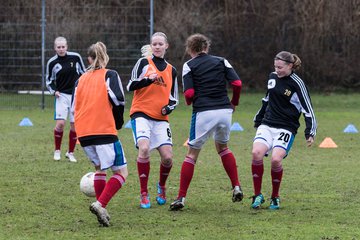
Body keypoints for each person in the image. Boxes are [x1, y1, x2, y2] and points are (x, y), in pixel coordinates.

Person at [170, 33, 244, 211]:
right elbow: (237, 83)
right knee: (223, 148)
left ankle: (180, 198)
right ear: (206, 47)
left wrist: (190, 103)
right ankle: (236, 186)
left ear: (190, 49)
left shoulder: (189, 65)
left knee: (191, 154)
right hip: (225, 111)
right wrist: (234, 102)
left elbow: (188, 94)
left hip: (204, 112)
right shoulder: (222, 61)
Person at [250, 51, 317, 210]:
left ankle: (275, 197)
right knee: (256, 153)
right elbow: (267, 99)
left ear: (290, 66)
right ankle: (257, 194)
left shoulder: (297, 83)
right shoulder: (272, 77)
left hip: (286, 127)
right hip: (267, 123)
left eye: (280, 67)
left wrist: (310, 132)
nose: (277, 70)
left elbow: (308, 109)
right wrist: (258, 118)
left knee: (275, 160)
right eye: (275, 67)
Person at [72, 42, 127, 227]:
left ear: (89, 59)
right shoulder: (110, 75)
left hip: (84, 134)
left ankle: (102, 208)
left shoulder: (80, 80)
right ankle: (100, 203)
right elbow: (118, 100)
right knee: (121, 172)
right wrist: (118, 122)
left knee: (99, 169)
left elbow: (73, 108)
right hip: (103, 130)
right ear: (105, 57)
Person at [127, 32, 178, 209]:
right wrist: (147, 80)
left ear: (166, 46)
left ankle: (161, 187)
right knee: (144, 148)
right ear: (151, 46)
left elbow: (174, 99)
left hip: (161, 119)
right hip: (140, 114)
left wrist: (168, 108)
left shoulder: (172, 70)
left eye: (160, 44)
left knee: (168, 158)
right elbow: (130, 85)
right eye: (154, 44)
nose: (157, 46)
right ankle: (143, 193)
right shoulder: (143, 63)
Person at [46, 36, 85, 162]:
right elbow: (49, 80)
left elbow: (83, 73)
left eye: (63, 47)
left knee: (74, 127)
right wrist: (54, 91)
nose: (61, 49)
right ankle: (57, 150)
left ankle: (71, 152)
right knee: (61, 124)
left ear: (67, 47)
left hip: (75, 95)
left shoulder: (76, 57)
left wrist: (83, 89)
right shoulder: (52, 62)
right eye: (59, 47)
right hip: (61, 95)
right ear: (55, 48)